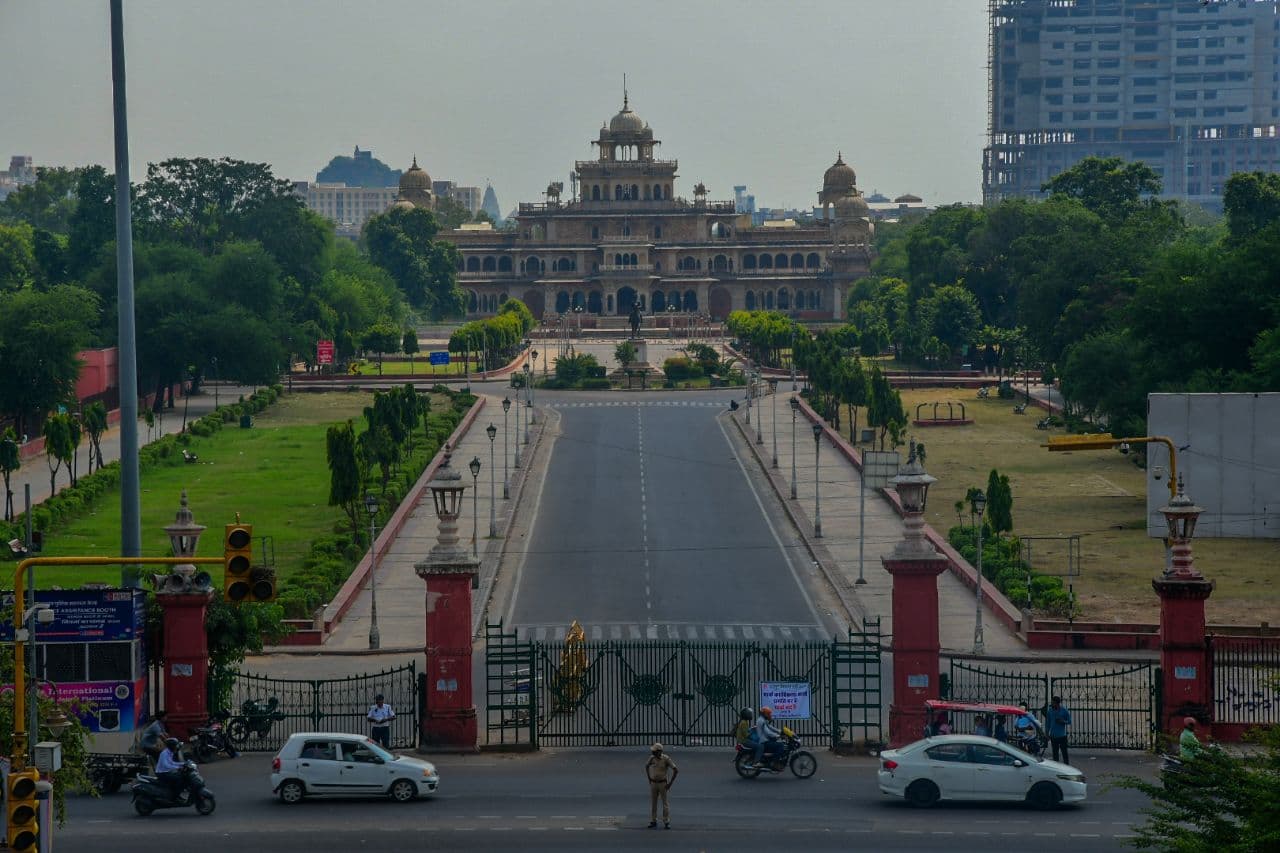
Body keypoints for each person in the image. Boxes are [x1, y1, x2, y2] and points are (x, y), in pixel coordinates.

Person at [645, 742, 678, 829]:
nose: (653, 753)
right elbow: (646, 766)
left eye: (655, 751)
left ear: (659, 751)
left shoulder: (666, 759)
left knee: (665, 803)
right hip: (654, 783)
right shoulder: (652, 758)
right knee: (654, 803)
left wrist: (670, 783)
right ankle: (653, 820)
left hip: (663, 783)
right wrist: (649, 778)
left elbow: (675, 769)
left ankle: (666, 821)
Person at [154, 738, 187, 802]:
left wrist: (183, 764)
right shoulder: (164, 753)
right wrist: (178, 767)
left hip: (166, 772)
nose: (177, 747)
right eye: (175, 746)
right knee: (179, 779)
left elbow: (171, 763)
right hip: (162, 773)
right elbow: (166, 765)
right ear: (172, 746)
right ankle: (175, 797)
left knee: (181, 776)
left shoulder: (169, 752)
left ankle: (177, 795)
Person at [1046, 695, 1073, 764]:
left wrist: (1062, 721)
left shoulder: (1064, 710)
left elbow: (1069, 721)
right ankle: (1057, 768)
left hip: (1062, 736)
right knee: (1055, 754)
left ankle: (1067, 767)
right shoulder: (1050, 711)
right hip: (1053, 735)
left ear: (1057, 703)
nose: (1051, 704)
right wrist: (1047, 734)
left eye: (1053, 703)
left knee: (1064, 753)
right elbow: (1047, 723)